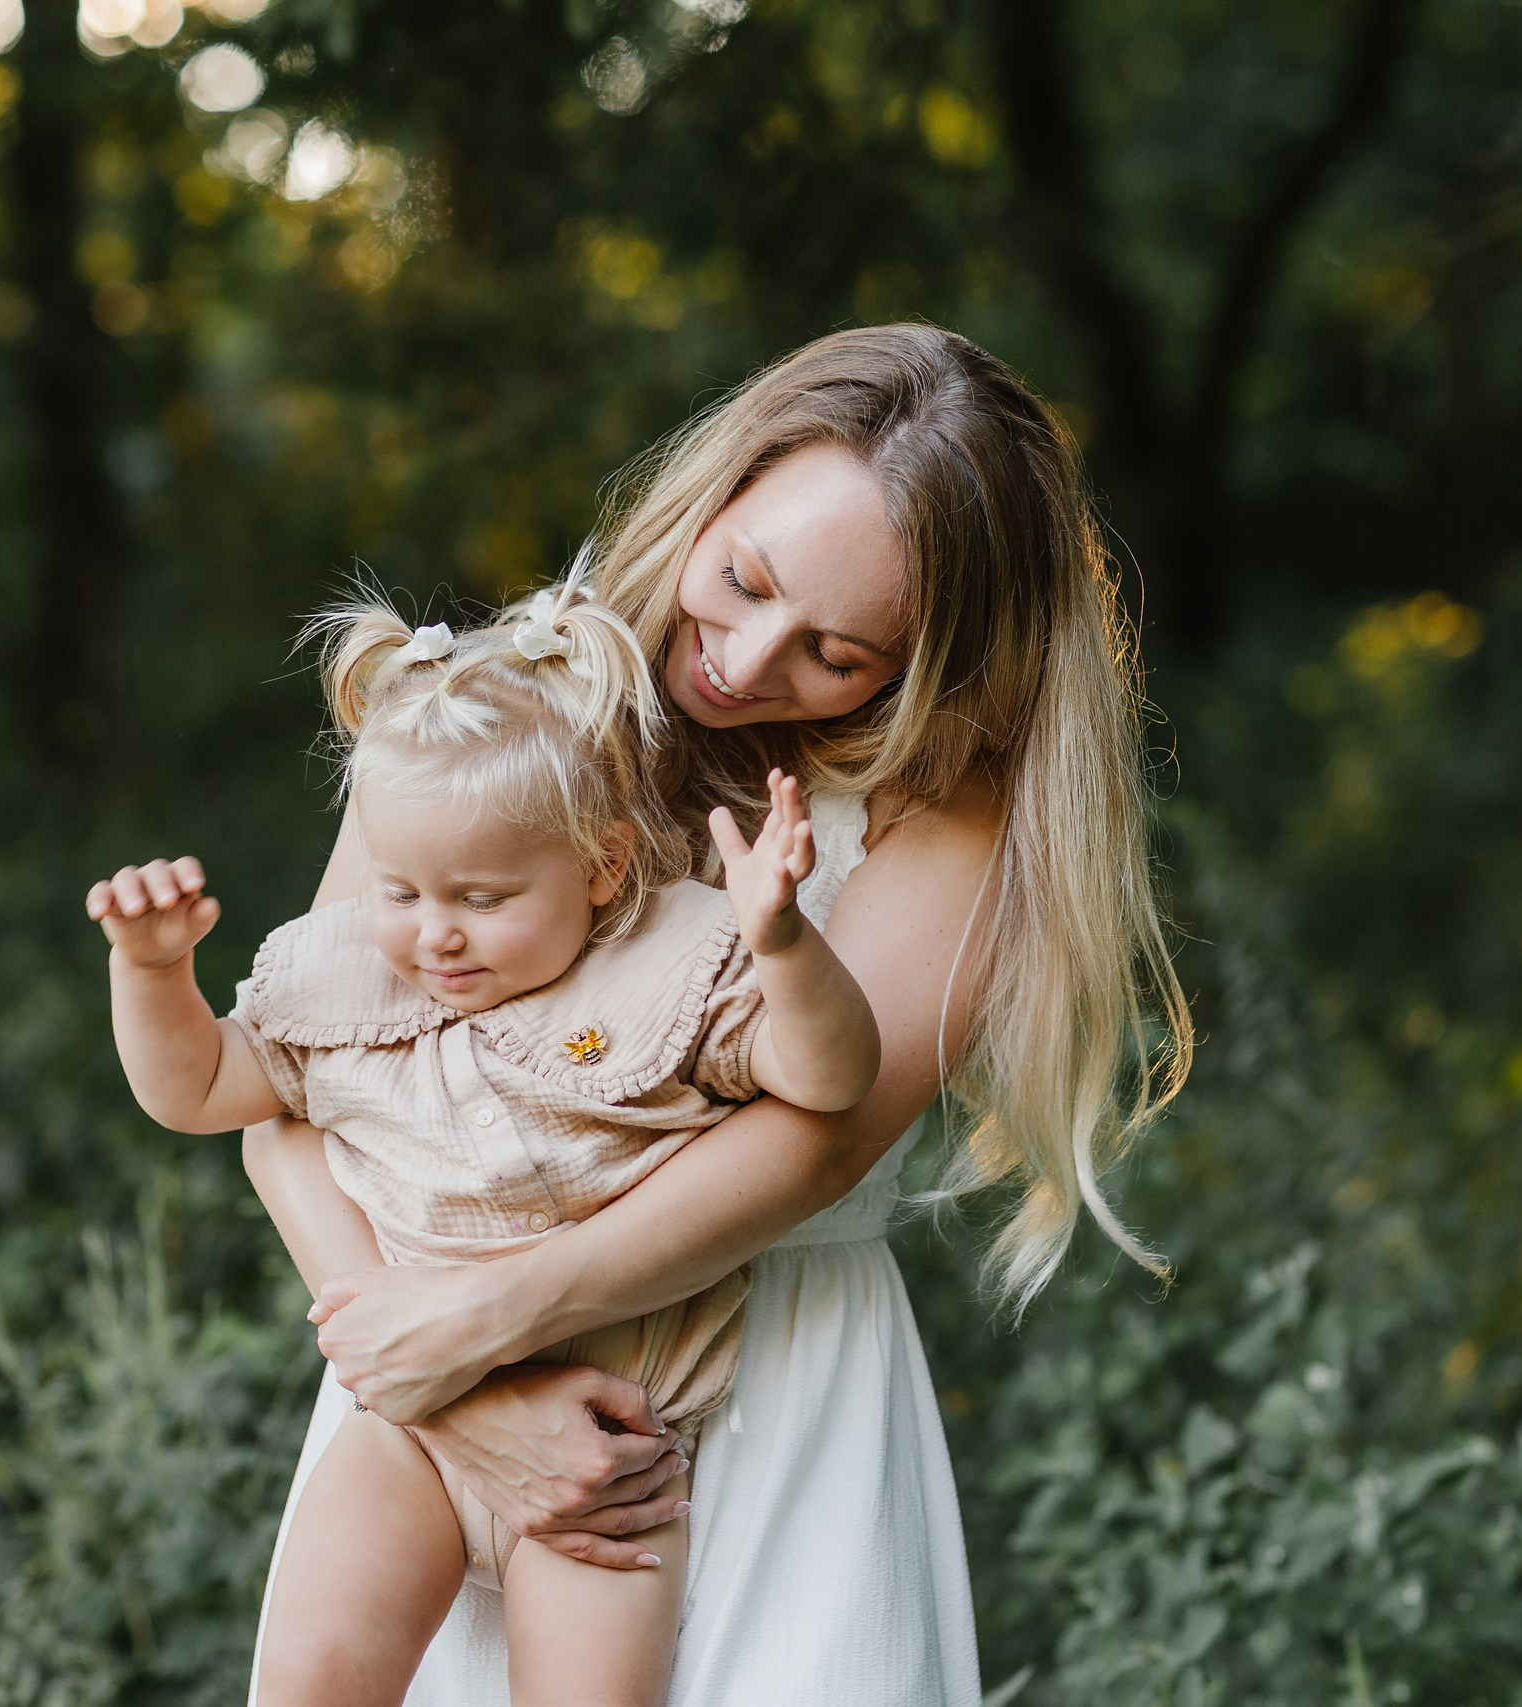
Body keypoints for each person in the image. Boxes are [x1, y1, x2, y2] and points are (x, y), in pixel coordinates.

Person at [243, 323, 1192, 1705]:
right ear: (716, 488)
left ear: (928, 666)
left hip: (763, 1385)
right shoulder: (508, 708)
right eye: (744, 579)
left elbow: (814, 1143)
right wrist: (444, 1379)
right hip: (422, 1374)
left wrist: (493, 1320)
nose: (746, 660)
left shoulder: (951, 809)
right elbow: (295, 1080)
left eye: (837, 652)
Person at [87, 589, 883, 1705]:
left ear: (602, 868)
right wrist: (151, 973)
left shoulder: (666, 971)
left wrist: (784, 946)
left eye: (481, 896)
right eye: (401, 891)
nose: (435, 933)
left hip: (609, 1456)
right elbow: (200, 1089)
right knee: (309, 1676)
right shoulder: (348, 984)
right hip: (408, 1434)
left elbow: (831, 1079)